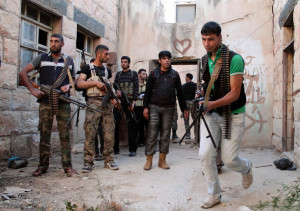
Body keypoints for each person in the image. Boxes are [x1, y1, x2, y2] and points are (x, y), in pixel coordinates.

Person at [198, 21, 253, 208]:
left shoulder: (234, 59)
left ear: (220, 38)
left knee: (229, 160)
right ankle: (214, 194)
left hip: (232, 114)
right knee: (205, 155)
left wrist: (211, 104)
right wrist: (200, 97)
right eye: (204, 39)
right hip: (211, 114)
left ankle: (247, 168)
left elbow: (235, 94)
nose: (207, 44)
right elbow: (205, 86)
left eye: (211, 39)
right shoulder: (204, 60)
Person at [19, 34, 77, 177]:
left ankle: (68, 167)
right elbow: (23, 73)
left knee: (65, 136)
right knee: (44, 135)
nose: (53, 44)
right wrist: (32, 90)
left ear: (62, 44)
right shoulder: (42, 58)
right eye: (51, 41)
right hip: (45, 103)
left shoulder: (69, 61)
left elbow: (74, 80)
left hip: (63, 102)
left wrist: (68, 86)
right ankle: (42, 166)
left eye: (56, 41)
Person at [143, 50, 188, 170]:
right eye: (164, 58)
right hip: (154, 108)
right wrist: (145, 107)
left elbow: (180, 93)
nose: (167, 60)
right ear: (160, 60)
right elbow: (147, 92)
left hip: (169, 109)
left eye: (168, 58)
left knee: (166, 135)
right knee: (152, 134)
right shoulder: (153, 74)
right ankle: (149, 160)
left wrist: (184, 108)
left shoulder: (175, 74)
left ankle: (162, 161)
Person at [77, 44, 119, 173]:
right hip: (93, 103)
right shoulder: (87, 68)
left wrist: (115, 97)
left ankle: (109, 160)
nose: (108, 56)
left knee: (109, 132)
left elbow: (110, 86)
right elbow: (79, 83)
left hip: (107, 104)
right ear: (99, 54)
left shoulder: (107, 70)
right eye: (106, 54)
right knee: (90, 132)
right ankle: (88, 162)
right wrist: (95, 83)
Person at [114, 56, 139, 157]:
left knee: (131, 125)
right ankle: (115, 148)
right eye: (122, 62)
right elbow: (115, 86)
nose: (123, 63)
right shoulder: (119, 74)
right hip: (119, 102)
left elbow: (136, 88)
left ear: (129, 63)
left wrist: (133, 102)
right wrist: (117, 93)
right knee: (115, 124)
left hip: (129, 102)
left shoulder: (133, 74)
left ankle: (132, 149)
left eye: (125, 62)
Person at [182, 73, 197, 141]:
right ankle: (196, 136)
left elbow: (181, 96)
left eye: (185, 77)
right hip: (193, 103)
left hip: (186, 104)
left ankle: (188, 136)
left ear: (187, 77)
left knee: (186, 120)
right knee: (195, 120)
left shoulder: (183, 86)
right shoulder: (195, 85)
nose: (185, 78)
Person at [135, 68, 148, 147]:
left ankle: (149, 142)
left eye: (145, 74)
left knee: (147, 124)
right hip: (137, 106)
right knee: (139, 124)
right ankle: (140, 141)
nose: (145, 75)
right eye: (143, 74)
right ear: (139, 74)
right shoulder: (135, 84)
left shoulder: (147, 84)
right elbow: (132, 94)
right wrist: (139, 97)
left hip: (145, 106)